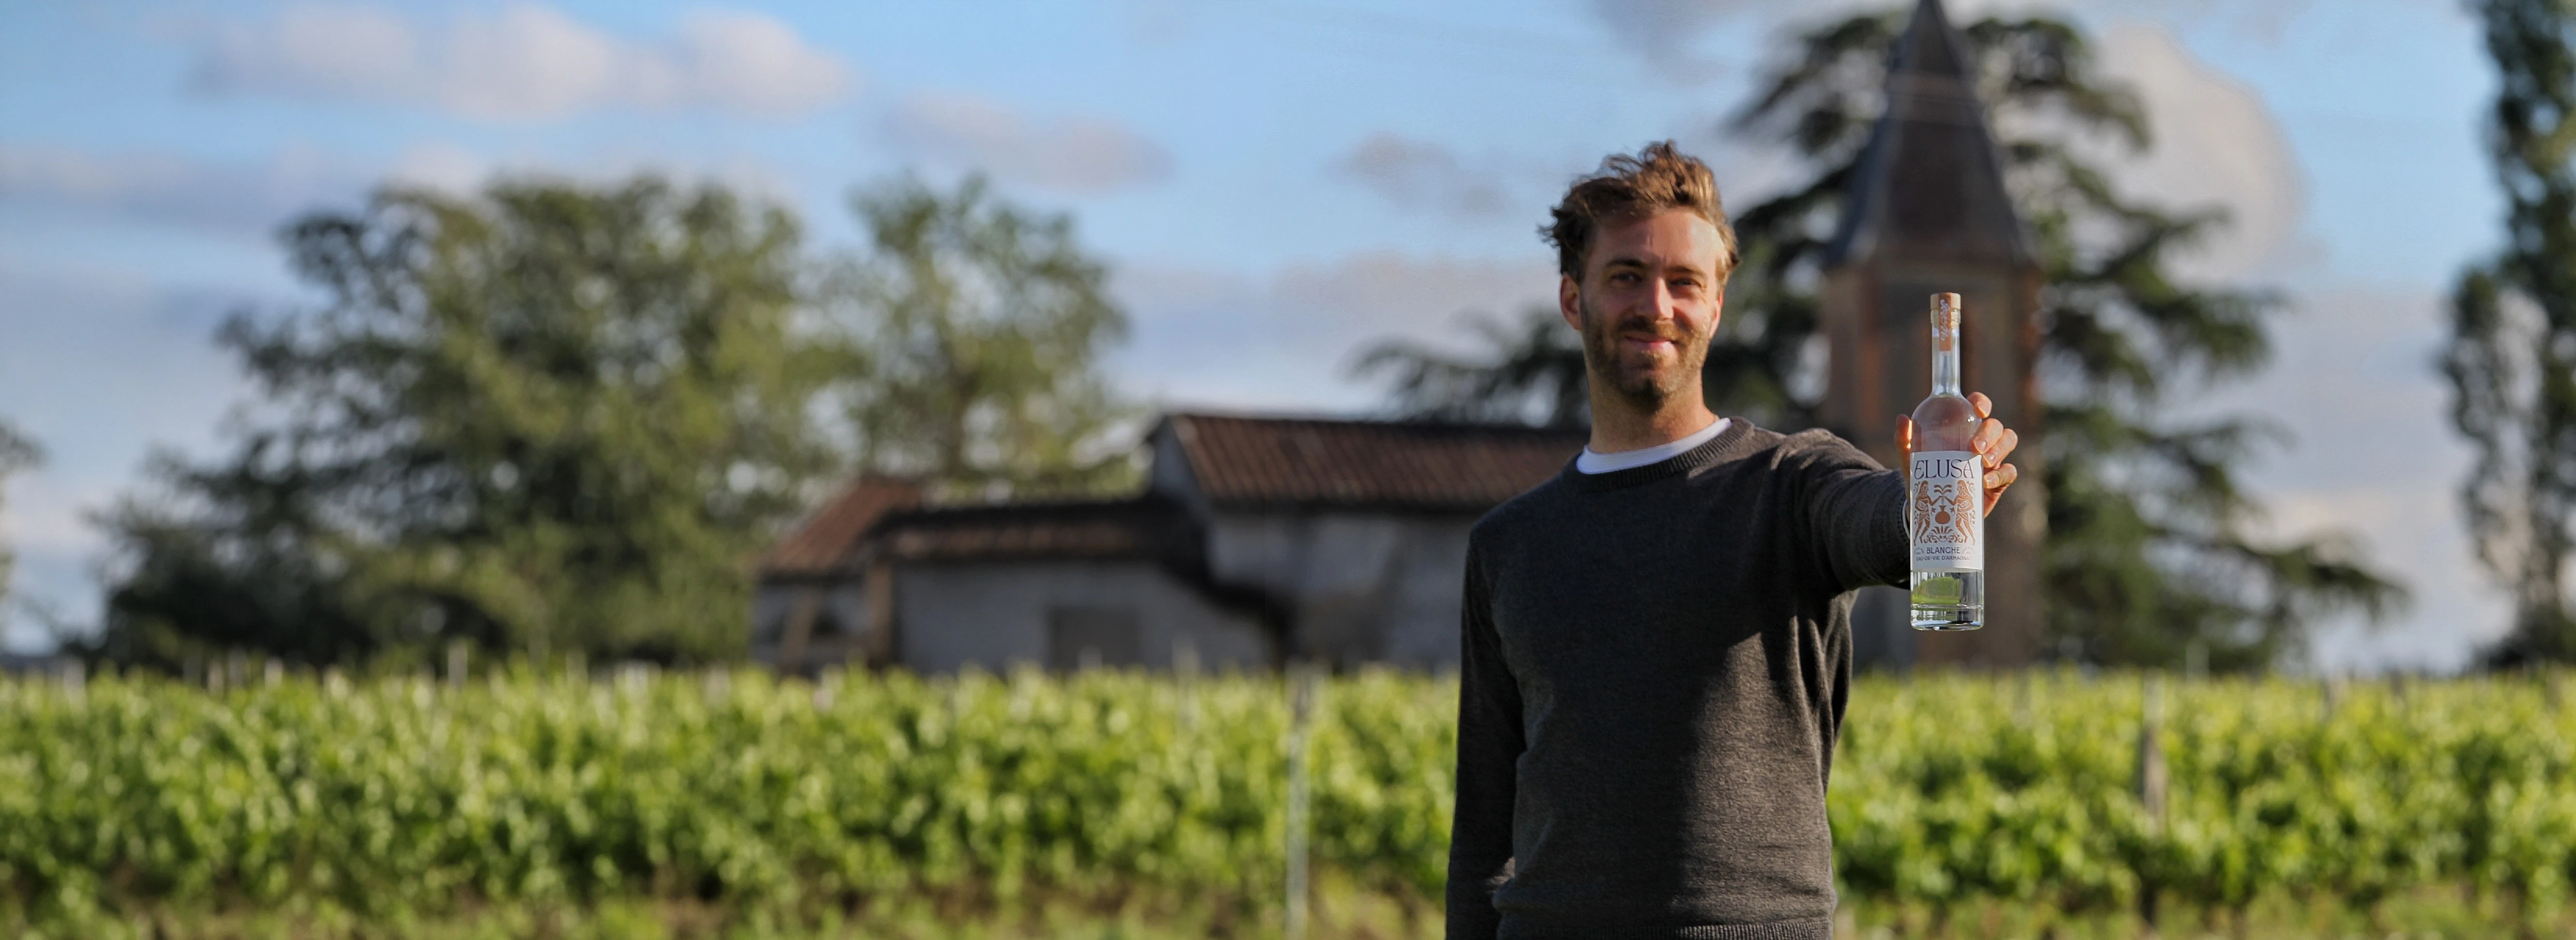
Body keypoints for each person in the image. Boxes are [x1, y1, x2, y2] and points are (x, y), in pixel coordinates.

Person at [1445, 141, 2020, 939]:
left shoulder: (1793, 485)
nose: (1658, 304)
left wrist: (1937, 501)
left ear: (1716, 305)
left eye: (1685, 282)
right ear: (1574, 301)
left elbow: (1876, 524)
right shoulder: (1508, 546)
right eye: (1626, 278)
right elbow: (1483, 830)